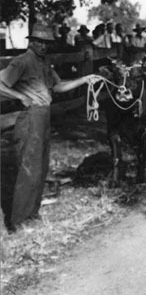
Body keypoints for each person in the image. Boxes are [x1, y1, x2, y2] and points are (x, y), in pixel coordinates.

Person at [0, 24, 103, 230]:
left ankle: (31, 214)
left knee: (41, 166)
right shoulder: (22, 62)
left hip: (44, 117)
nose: (43, 46)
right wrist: (20, 96)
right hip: (30, 118)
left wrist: (84, 79)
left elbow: (58, 86)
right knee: (29, 168)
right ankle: (18, 221)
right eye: (39, 42)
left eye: (46, 43)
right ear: (31, 41)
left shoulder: (44, 63)